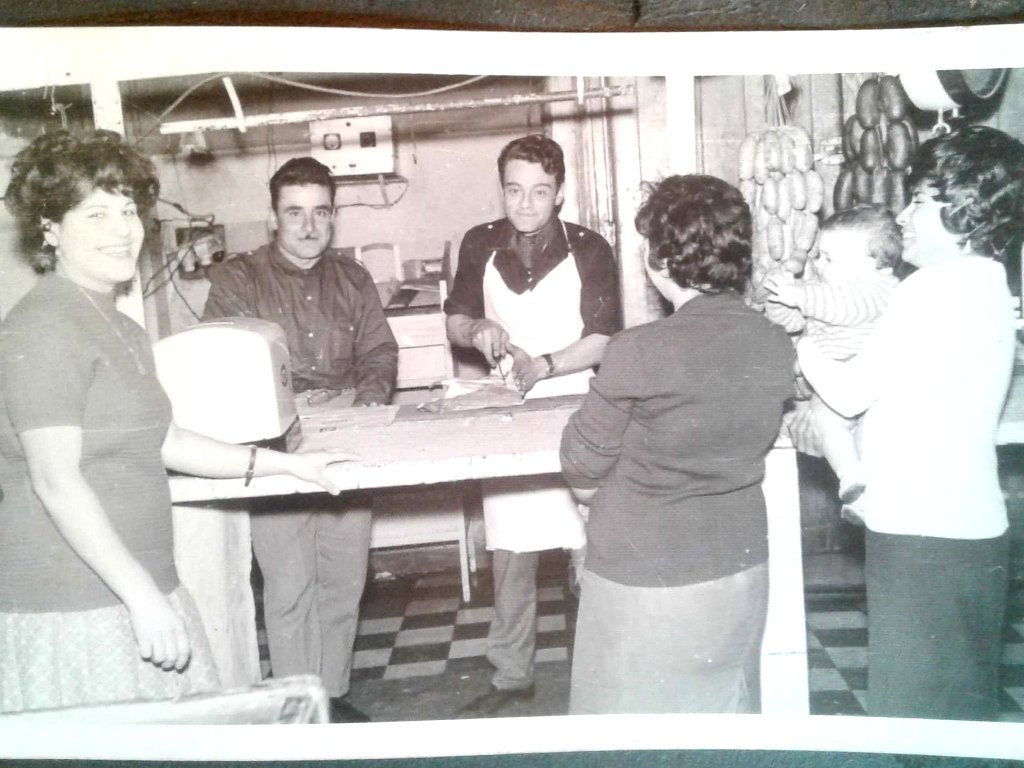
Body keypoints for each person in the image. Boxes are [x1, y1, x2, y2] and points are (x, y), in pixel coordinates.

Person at [0, 130, 348, 715]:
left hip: (139, 583)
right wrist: (141, 599)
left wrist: (287, 465)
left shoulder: (117, 323)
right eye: (96, 213)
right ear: (50, 228)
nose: (122, 229)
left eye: (128, 211)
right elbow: (55, 480)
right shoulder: (43, 327)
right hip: (75, 603)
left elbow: (165, 441)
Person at [797, 125, 1023, 720]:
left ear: (969, 207)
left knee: (913, 719)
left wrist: (799, 338)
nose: (904, 215)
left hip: (920, 532)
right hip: (975, 530)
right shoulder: (993, 283)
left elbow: (846, 395)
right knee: (963, 713)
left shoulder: (926, 290)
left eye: (922, 199)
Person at [560, 174, 794, 714]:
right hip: (740, 565)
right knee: (720, 726)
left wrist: (589, 495)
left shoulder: (637, 349)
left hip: (644, 570)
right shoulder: (774, 341)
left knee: (629, 739)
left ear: (660, 261)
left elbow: (580, 459)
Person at [202, 156, 398, 723]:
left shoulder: (353, 278)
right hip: (275, 440)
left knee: (343, 578)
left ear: (333, 218)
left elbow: (380, 352)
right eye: (295, 213)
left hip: (348, 432)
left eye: (321, 213)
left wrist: (367, 400)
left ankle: (332, 697)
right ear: (272, 217)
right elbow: (224, 360)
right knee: (289, 585)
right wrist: (281, 416)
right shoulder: (238, 279)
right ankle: (297, 707)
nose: (309, 226)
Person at [444, 134, 620, 716]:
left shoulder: (591, 248)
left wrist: (545, 364)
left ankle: (597, 669)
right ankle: (511, 677)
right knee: (511, 549)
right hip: (507, 405)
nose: (525, 204)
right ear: (502, 190)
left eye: (539, 192)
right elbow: (456, 319)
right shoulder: (478, 243)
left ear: (560, 192)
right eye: (514, 191)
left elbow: (603, 338)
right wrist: (479, 333)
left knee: (586, 544)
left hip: (574, 402)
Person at [763, 205, 902, 513]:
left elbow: (845, 307)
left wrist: (799, 295)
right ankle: (851, 479)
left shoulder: (881, 288)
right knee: (826, 421)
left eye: (829, 258)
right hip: (829, 386)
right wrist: (778, 296)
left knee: (873, 438)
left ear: (874, 262)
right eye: (819, 256)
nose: (820, 265)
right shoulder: (822, 290)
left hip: (872, 385)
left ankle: (874, 492)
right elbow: (790, 322)